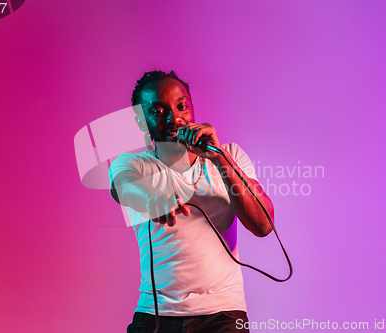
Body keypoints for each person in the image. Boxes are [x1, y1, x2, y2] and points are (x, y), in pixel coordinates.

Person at [109, 70, 274, 333]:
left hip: (224, 313)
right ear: (142, 122)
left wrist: (219, 159)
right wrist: (153, 199)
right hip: (157, 314)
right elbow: (124, 187)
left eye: (181, 106)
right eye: (158, 111)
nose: (175, 118)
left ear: (192, 108)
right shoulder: (133, 164)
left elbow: (263, 225)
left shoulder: (231, 155)